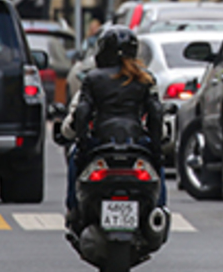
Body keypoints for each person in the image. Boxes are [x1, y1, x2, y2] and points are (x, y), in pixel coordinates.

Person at [60, 25, 165, 234]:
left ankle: (73, 208)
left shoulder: (92, 78)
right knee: (157, 168)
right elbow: (156, 114)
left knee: (74, 160)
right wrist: (156, 148)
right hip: (137, 142)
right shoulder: (145, 79)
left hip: (101, 142)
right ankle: (159, 210)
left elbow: (82, 112)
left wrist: (82, 143)